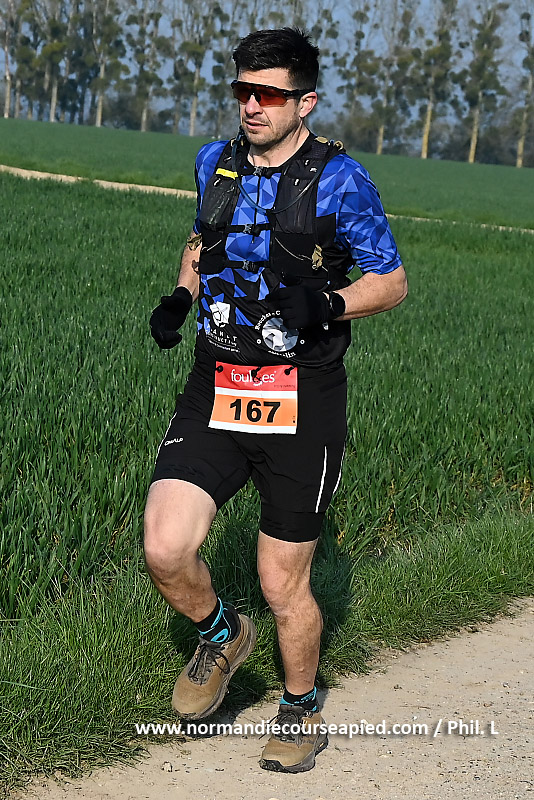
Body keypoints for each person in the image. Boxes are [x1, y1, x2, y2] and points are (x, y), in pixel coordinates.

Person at [144, 27, 407, 774]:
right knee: (165, 546)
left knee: (280, 582)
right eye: (243, 91)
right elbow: (202, 240)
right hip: (217, 382)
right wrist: (181, 295)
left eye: (268, 94)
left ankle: (300, 707)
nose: (251, 105)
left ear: (305, 102)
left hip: (302, 397)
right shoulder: (215, 161)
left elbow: (391, 282)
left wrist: (325, 304)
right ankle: (223, 635)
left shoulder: (341, 180)